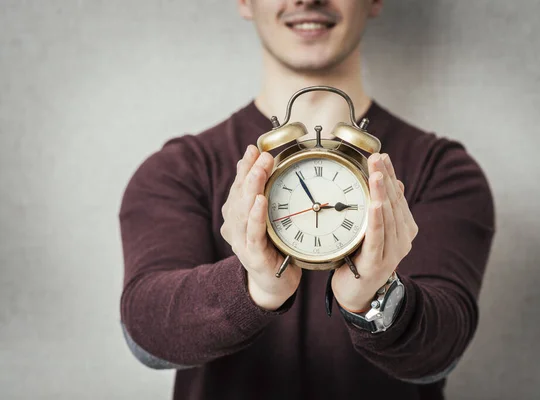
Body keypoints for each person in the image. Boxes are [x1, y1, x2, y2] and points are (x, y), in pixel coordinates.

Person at [118, 1, 495, 399]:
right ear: (245, 1)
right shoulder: (178, 169)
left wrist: (374, 299)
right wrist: (254, 286)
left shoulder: (443, 170)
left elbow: (443, 349)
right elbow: (147, 334)